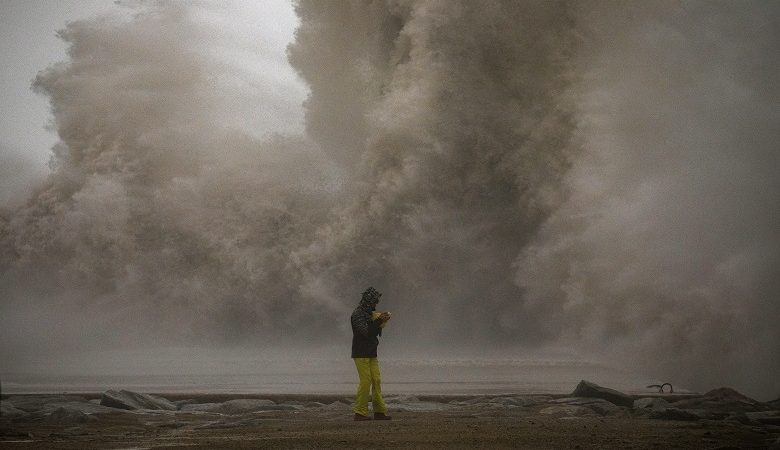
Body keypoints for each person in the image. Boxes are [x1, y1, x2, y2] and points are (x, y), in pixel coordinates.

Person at [351, 286, 392, 421]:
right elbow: (367, 333)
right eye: (374, 302)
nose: (376, 304)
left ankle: (379, 411)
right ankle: (360, 413)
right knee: (366, 381)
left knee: (376, 380)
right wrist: (380, 321)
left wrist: (381, 320)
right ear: (368, 301)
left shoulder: (369, 314)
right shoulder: (357, 314)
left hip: (371, 352)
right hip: (361, 353)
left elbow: (373, 330)